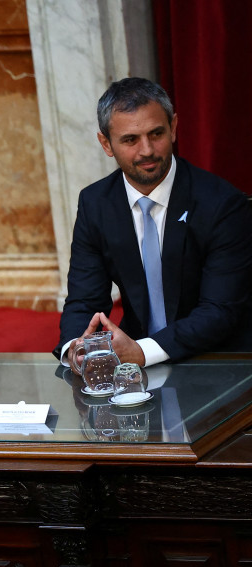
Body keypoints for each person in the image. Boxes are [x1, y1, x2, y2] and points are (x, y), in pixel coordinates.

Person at [58, 77, 252, 367]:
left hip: (217, 358)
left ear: (173, 128)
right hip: (135, 364)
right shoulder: (96, 203)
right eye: (130, 140)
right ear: (106, 144)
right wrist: (75, 347)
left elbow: (219, 310)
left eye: (156, 134)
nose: (147, 150)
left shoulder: (222, 204)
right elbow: (85, 301)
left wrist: (143, 352)